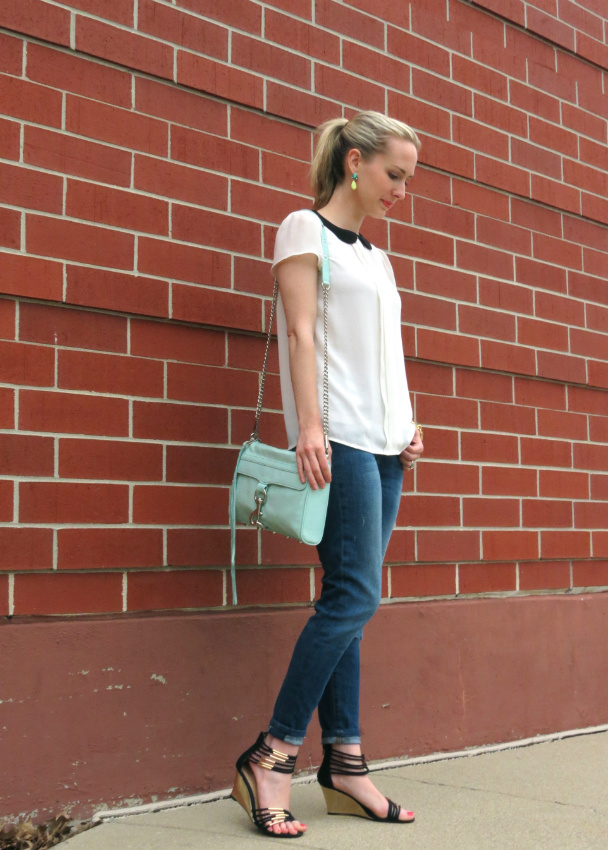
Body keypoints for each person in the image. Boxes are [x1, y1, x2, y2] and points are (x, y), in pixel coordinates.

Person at [231, 111, 424, 838]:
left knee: (354, 603)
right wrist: (311, 426)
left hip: (383, 448)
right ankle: (272, 754)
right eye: (393, 174)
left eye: (406, 178)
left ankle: (345, 762)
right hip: (337, 441)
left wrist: (406, 426)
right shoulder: (300, 230)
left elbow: (386, 351)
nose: (400, 190)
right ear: (353, 160)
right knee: (353, 598)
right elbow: (302, 332)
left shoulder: (377, 257)